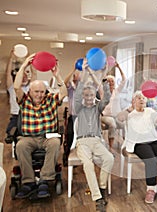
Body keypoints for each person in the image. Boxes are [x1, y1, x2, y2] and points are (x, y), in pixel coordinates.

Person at [14, 53, 67, 199]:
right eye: (36, 92)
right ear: (30, 91)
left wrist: (57, 76)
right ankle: (28, 182)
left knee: (55, 143)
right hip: (29, 138)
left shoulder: (50, 100)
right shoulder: (24, 100)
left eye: (42, 92)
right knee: (20, 145)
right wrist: (24, 65)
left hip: (47, 137)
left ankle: (45, 179)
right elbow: (16, 86)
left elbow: (63, 92)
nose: (39, 95)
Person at [74, 59, 114, 212]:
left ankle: (102, 187)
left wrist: (102, 76)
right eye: (87, 95)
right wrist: (85, 72)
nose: (89, 97)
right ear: (83, 97)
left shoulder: (98, 107)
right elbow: (78, 92)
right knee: (88, 165)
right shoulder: (79, 107)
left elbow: (107, 96)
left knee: (109, 158)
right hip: (83, 142)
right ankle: (98, 198)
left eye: (92, 95)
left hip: (97, 141)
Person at [116, 91, 157, 204]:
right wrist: (130, 107)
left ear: (146, 101)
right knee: (151, 161)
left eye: (143, 98)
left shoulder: (150, 111)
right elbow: (119, 118)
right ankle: (151, 189)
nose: (141, 100)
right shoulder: (129, 113)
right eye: (138, 98)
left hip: (154, 140)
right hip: (138, 143)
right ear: (134, 101)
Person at [5, 49, 35, 143]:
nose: (24, 76)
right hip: (16, 116)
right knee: (11, 132)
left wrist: (29, 60)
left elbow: (34, 73)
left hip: (28, 115)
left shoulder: (31, 87)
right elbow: (8, 73)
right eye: (22, 75)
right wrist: (11, 58)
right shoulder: (12, 87)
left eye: (26, 74)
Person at [100, 62, 126, 151]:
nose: (111, 83)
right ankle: (110, 147)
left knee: (125, 124)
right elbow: (102, 80)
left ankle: (127, 143)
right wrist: (107, 68)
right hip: (105, 116)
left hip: (116, 115)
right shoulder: (103, 92)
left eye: (112, 81)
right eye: (109, 81)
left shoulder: (117, 91)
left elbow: (124, 80)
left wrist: (119, 68)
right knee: (112, 124)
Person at [62, 65, 81, 165]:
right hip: (73, 116)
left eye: (78, 75)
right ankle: (67, 153)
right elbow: (64, 82)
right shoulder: (71, 88)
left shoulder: (84, 88)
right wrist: (73, 69)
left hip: (82, 118)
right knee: (69, 134)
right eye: (75, 75)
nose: (76, 76)